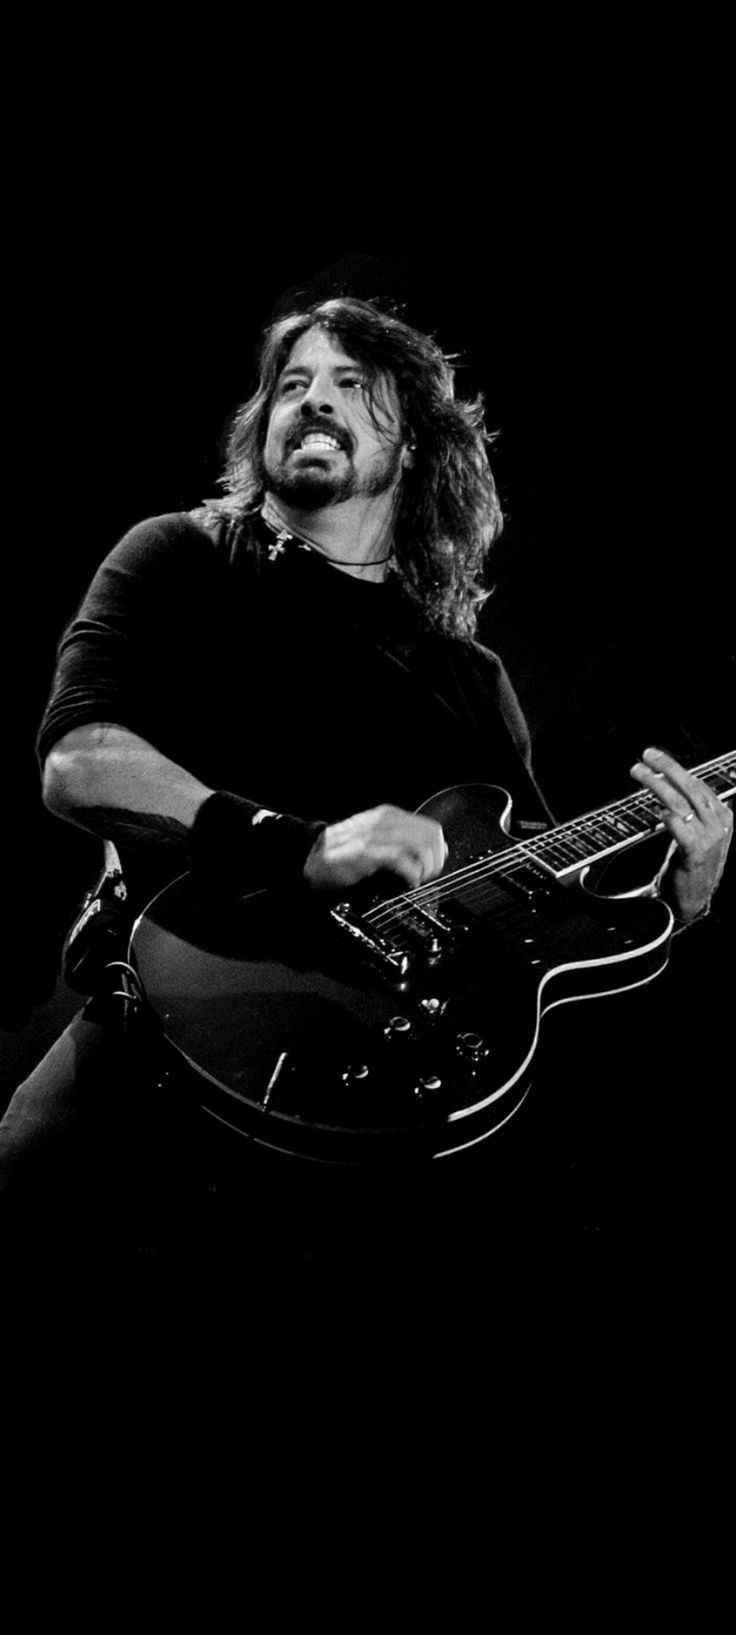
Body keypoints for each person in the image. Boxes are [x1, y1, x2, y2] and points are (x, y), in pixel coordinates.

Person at [2, 297, 732, 1452]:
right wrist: (302, 843)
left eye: (352, 383)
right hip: (157, 1043)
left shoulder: (466, 678)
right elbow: (79, 761)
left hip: (366, 1122)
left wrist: (680, 903)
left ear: (416, 439)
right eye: (293, 383)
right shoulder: (181, 556)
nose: (314, 400)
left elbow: (531, 926)